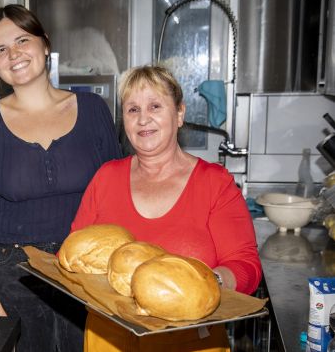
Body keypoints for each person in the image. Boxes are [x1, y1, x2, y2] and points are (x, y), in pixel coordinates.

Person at [69, 65, 262, 351]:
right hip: (109, 338)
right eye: (133, 109)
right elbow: (73, 256)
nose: (143, 118)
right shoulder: (106, 177)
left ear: (180, 113)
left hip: (191, 341)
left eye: (155, 106)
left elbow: (245, 265)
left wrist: (207, 283)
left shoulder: (214, 182)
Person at [0, 4, 121, 352]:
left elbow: (117, 196)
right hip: (12, 275)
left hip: (85, 271)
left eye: (22, 40)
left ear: (45, 44)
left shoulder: (93, 110)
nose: (13, 54)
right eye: (0, 49)